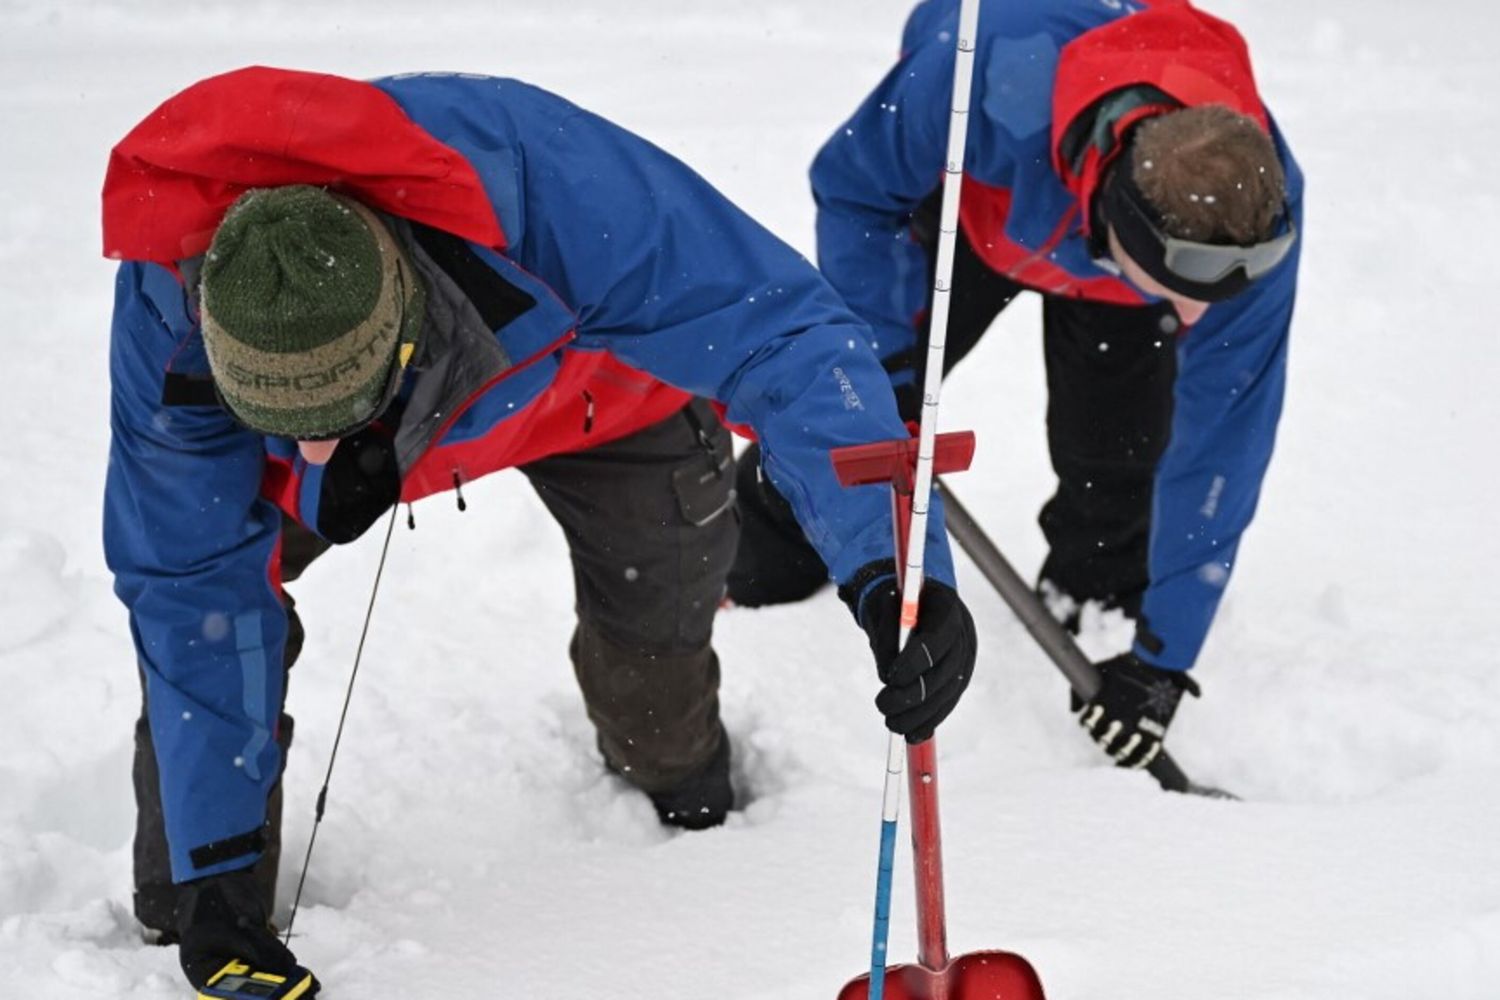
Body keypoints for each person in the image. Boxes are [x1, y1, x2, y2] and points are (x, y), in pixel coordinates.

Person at [102, 67, 980, 996]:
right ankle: (207, 894)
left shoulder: (545, 186)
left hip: (601, 400)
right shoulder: (174, 301)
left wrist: (892, 566)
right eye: (287, 426)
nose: (309, 452)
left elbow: (784, 339)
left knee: (660, 717)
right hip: (393, 430)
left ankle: (686, 782)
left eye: (337, 413)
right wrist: (217, 882)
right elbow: (188, 573)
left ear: (404, 328)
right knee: (193, 841)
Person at [729, 0, 1302, 774]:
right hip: (978, 209)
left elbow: (1225, 437)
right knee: (845, 421)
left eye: (1222, 286)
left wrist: (1166, 658)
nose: (1203, 311)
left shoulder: (1243, 219)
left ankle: (1092, 597)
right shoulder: (978, 79)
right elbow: (854, 189)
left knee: (1123, 459)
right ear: (1123, 225)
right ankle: (746, 566)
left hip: (1111, 277)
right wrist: (882, 360)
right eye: (1184, 282)